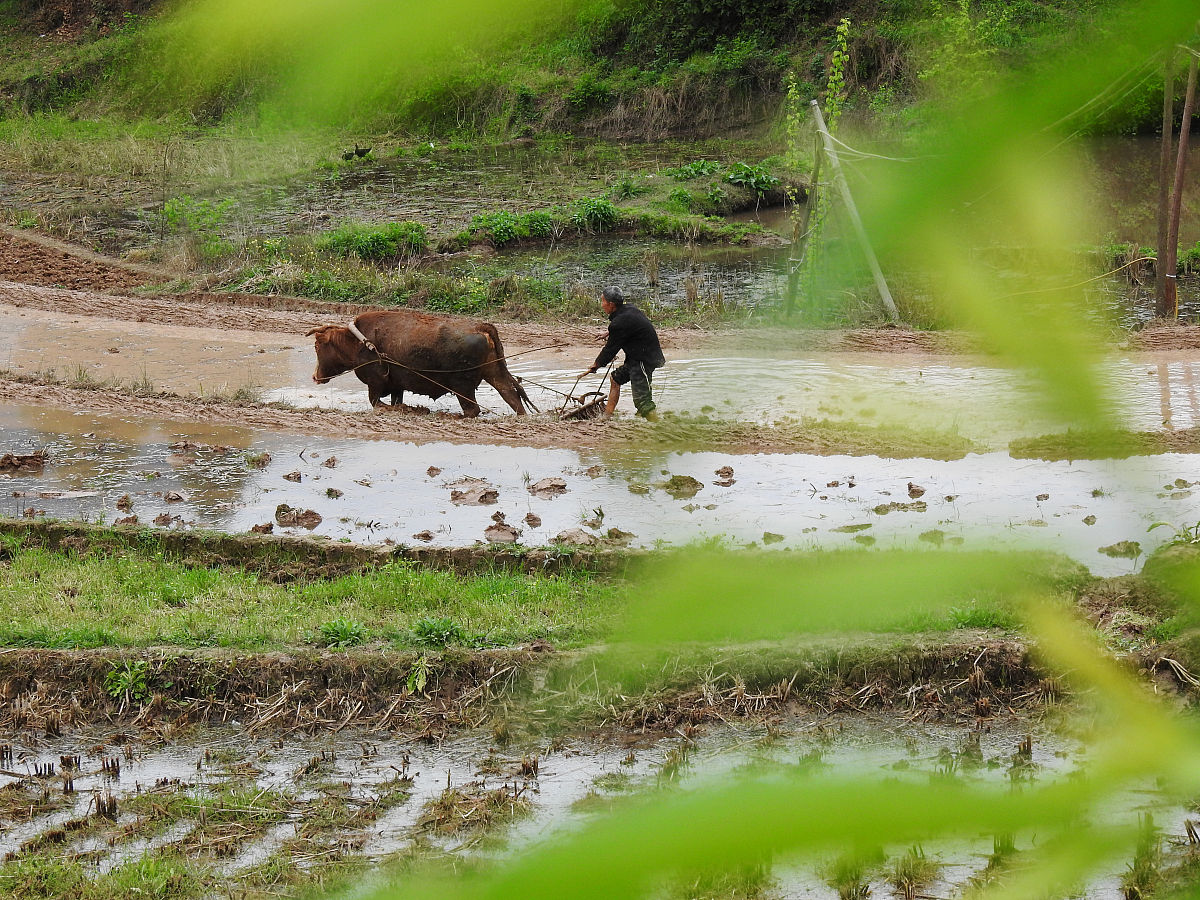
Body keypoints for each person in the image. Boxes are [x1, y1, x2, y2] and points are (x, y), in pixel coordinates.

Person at [582, 286, 665, 419]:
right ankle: (607, 417)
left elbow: (610, 350)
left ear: (611, 304)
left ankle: (659, 427)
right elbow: (629, 325)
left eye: (603, 301)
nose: (602, 305)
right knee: (615, 379)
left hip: (643, 360)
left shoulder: (619, 323)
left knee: (642, 401)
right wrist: (608, 332)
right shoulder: (629, 310)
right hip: (635, 358)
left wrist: (596, 365)